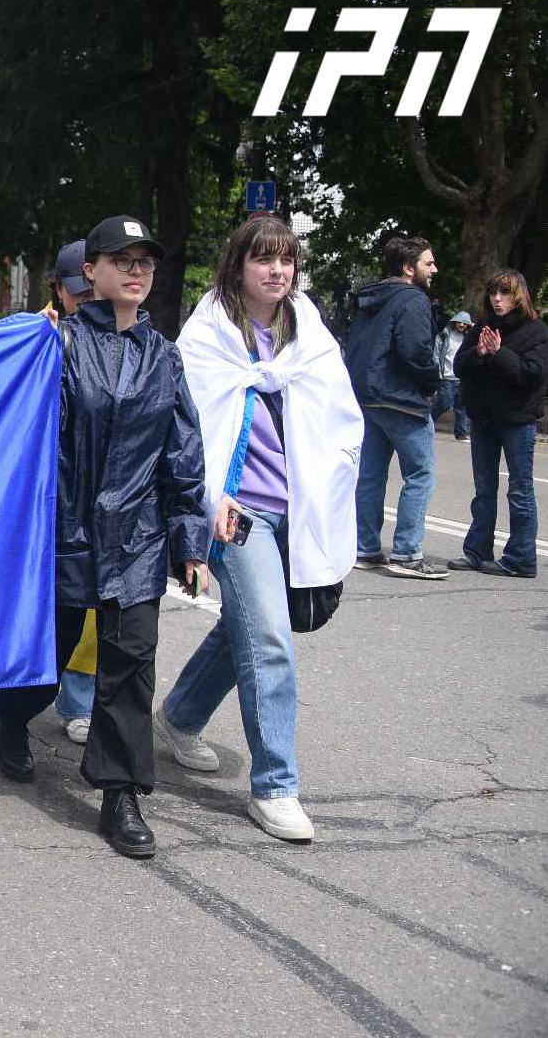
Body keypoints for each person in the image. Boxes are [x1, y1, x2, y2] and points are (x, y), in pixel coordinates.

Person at [0, 214, 212, 860]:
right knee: (48, 660)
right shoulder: (52, 346)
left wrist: (189, 541)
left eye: (146, 261)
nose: (136, 270)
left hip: (136, 538)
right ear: (91, 270)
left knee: (130, 665)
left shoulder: (164, 356)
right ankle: (11, 713)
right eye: (122, 259)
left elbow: (183, 452)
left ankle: (120, 794)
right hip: (66, 529)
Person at [159, 216, 363, 842]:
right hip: (237, 512)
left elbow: (339, 416)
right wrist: (210, 497)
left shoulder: (309, 330)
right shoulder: (208, 333)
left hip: (295, 512)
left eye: (287, 260)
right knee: (270, 635)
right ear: (238, 266)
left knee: (246, 624)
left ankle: (179, 715)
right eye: (263, 260)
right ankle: (275, 785)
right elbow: (191, 427)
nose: (277, 271)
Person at [345, 236, 448, 578]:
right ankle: (406, 554)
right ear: (408, 268)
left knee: (371, 476)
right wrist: (433, 381)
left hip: (367, 396)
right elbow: (416, 350)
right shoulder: (413, 300)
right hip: (403, 400)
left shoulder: (370, 298)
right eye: (428, 263)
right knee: (420, 474)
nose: (434, 269)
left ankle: (365, 548)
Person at [38, 239, 99, 746]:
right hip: (43, 492)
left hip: (99, 497)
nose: (84, 299)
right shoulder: (39, 340)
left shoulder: (133, 340)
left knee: (94, 607)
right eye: (75, 291)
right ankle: (15, 695)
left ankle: (80, 698)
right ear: (58, 290)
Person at [449, 269, 546, 578]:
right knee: (484, 489)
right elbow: (460, 366)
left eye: (504, 293)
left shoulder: (536, 330)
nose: (498, 299)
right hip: (484, 418)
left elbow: (531, 376)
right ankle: (477, 551)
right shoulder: (482, 326)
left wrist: (499, 353)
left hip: (517, 420)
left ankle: (520, 558)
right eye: (493, 293)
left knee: (519, 490)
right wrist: (479, 352)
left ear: (518, 296)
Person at [434, 311, 473, 441]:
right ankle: (428, 421)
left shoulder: (469, 338)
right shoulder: (444, 336)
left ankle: (461, 433)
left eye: (464, 323)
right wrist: (438, 372)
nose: (461, 325)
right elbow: (436, 354)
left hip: (461, 378)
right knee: (445, 402)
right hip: (446, 376)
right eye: (459, 322)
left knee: (462, 407)